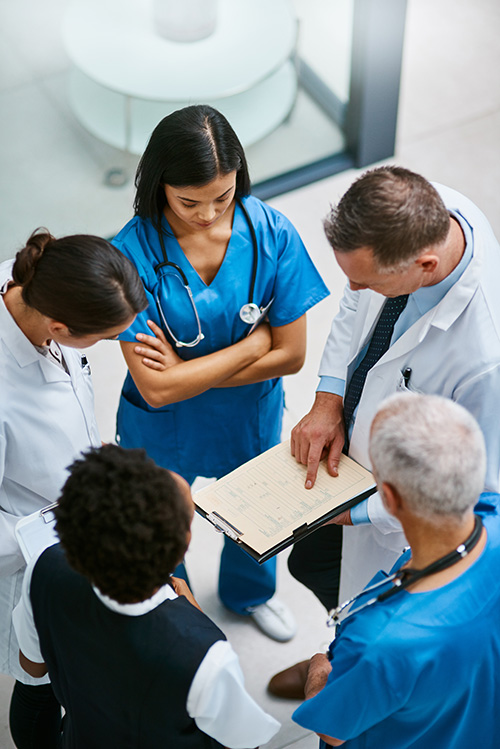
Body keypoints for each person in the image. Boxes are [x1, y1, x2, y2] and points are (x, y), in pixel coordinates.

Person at [268, 165, 500, 696]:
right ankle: (337, 650)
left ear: (425, 265)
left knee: (370, 617)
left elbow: (474, 496)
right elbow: (356, 302)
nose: (352, 288)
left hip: (393, 512)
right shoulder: (426, 207)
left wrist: (356, 511)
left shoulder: (485, 361)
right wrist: (328, 397)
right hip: (352, 455)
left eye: (368, 279)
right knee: (311, 562)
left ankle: (340, 667)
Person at [112, 104, 329, 641]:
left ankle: (249, 595)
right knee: (161, 521)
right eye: (189, 202)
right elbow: (156, 390)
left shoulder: (272, 234)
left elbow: (292, 355)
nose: (208, 214)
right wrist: (249, 348)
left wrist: (188, 369)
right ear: (160, 186)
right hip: (162, 425)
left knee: (254, 511)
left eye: (223, 197)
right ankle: (175, 610)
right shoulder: (129, 255)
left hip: (246, 417)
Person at [13, 444, 281, 748]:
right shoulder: (204, 656)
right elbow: (243, 741)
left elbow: (33, 667)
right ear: (180, 551)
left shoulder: (44, 567)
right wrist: (196, 622)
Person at [0, 229, 147, 749]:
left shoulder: (34, 289)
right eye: (105, 338)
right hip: (32, 550)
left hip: (70, 518)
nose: (113, 346)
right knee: (41, 680)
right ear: (60, 326)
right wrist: (64, 525)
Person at [292, 393, 500, 748]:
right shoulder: (492, 514)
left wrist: (318, 671)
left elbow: (334, 731)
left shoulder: (378, 642)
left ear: (387, 497)